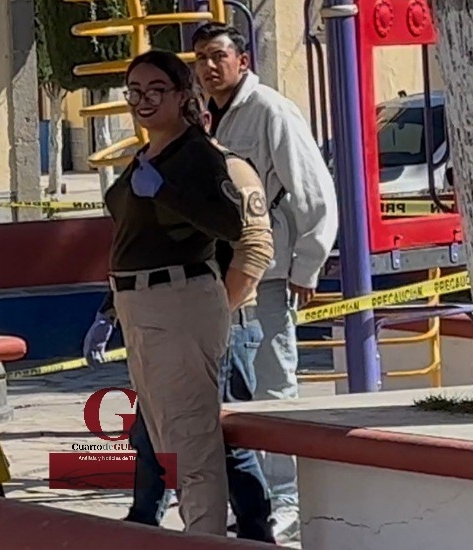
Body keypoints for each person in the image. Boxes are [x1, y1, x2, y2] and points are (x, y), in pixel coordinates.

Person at [82, 49, 246, 536]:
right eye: (134, 91)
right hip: (137, 303)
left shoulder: (196, 153)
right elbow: (132, 240)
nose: (143, 100)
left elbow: (231, 224)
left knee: (191, 440)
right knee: (165, 440)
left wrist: (167, 192)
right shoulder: (147, 155)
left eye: (157, 90)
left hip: (179, 300)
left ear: (181, 95)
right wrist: (109, 310)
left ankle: (207, 538)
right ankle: (197, 532)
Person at [191, 23, 339, 544]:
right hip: (219, 275)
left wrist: (307, 265)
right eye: (200, 58)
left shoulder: (271, 111)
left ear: (243, 60)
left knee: (274, 386)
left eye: (218, 56)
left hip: (269, 274)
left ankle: (288, 501)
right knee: (234, 392)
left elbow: (313, 191)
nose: (209, 67)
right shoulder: (203, 115)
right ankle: (254, 501)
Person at [116, 96, 277, 543]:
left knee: (219, 443)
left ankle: (255, 531)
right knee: (153, 434)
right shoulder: (155, 167)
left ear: (204, 120)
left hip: (222, 322)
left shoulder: (229, 169)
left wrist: (215, 313)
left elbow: (255, 248)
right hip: (165, 320)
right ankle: (144, 522)